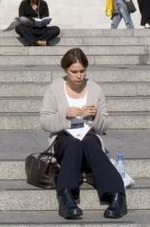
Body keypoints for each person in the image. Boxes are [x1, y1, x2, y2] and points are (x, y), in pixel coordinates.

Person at [39, 48, 127, 220]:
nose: (79, 76)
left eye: (82, 71)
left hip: (89, 138)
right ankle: (66, 196)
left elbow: (104, 127)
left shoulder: (95, 89)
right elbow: (44, 121)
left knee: (88, 141)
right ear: (65, 70)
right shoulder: (55, 88)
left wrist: (95, 116)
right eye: (74, 72)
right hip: (64, 138)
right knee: (73, 142)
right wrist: (65, 115)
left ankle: (117, 195)